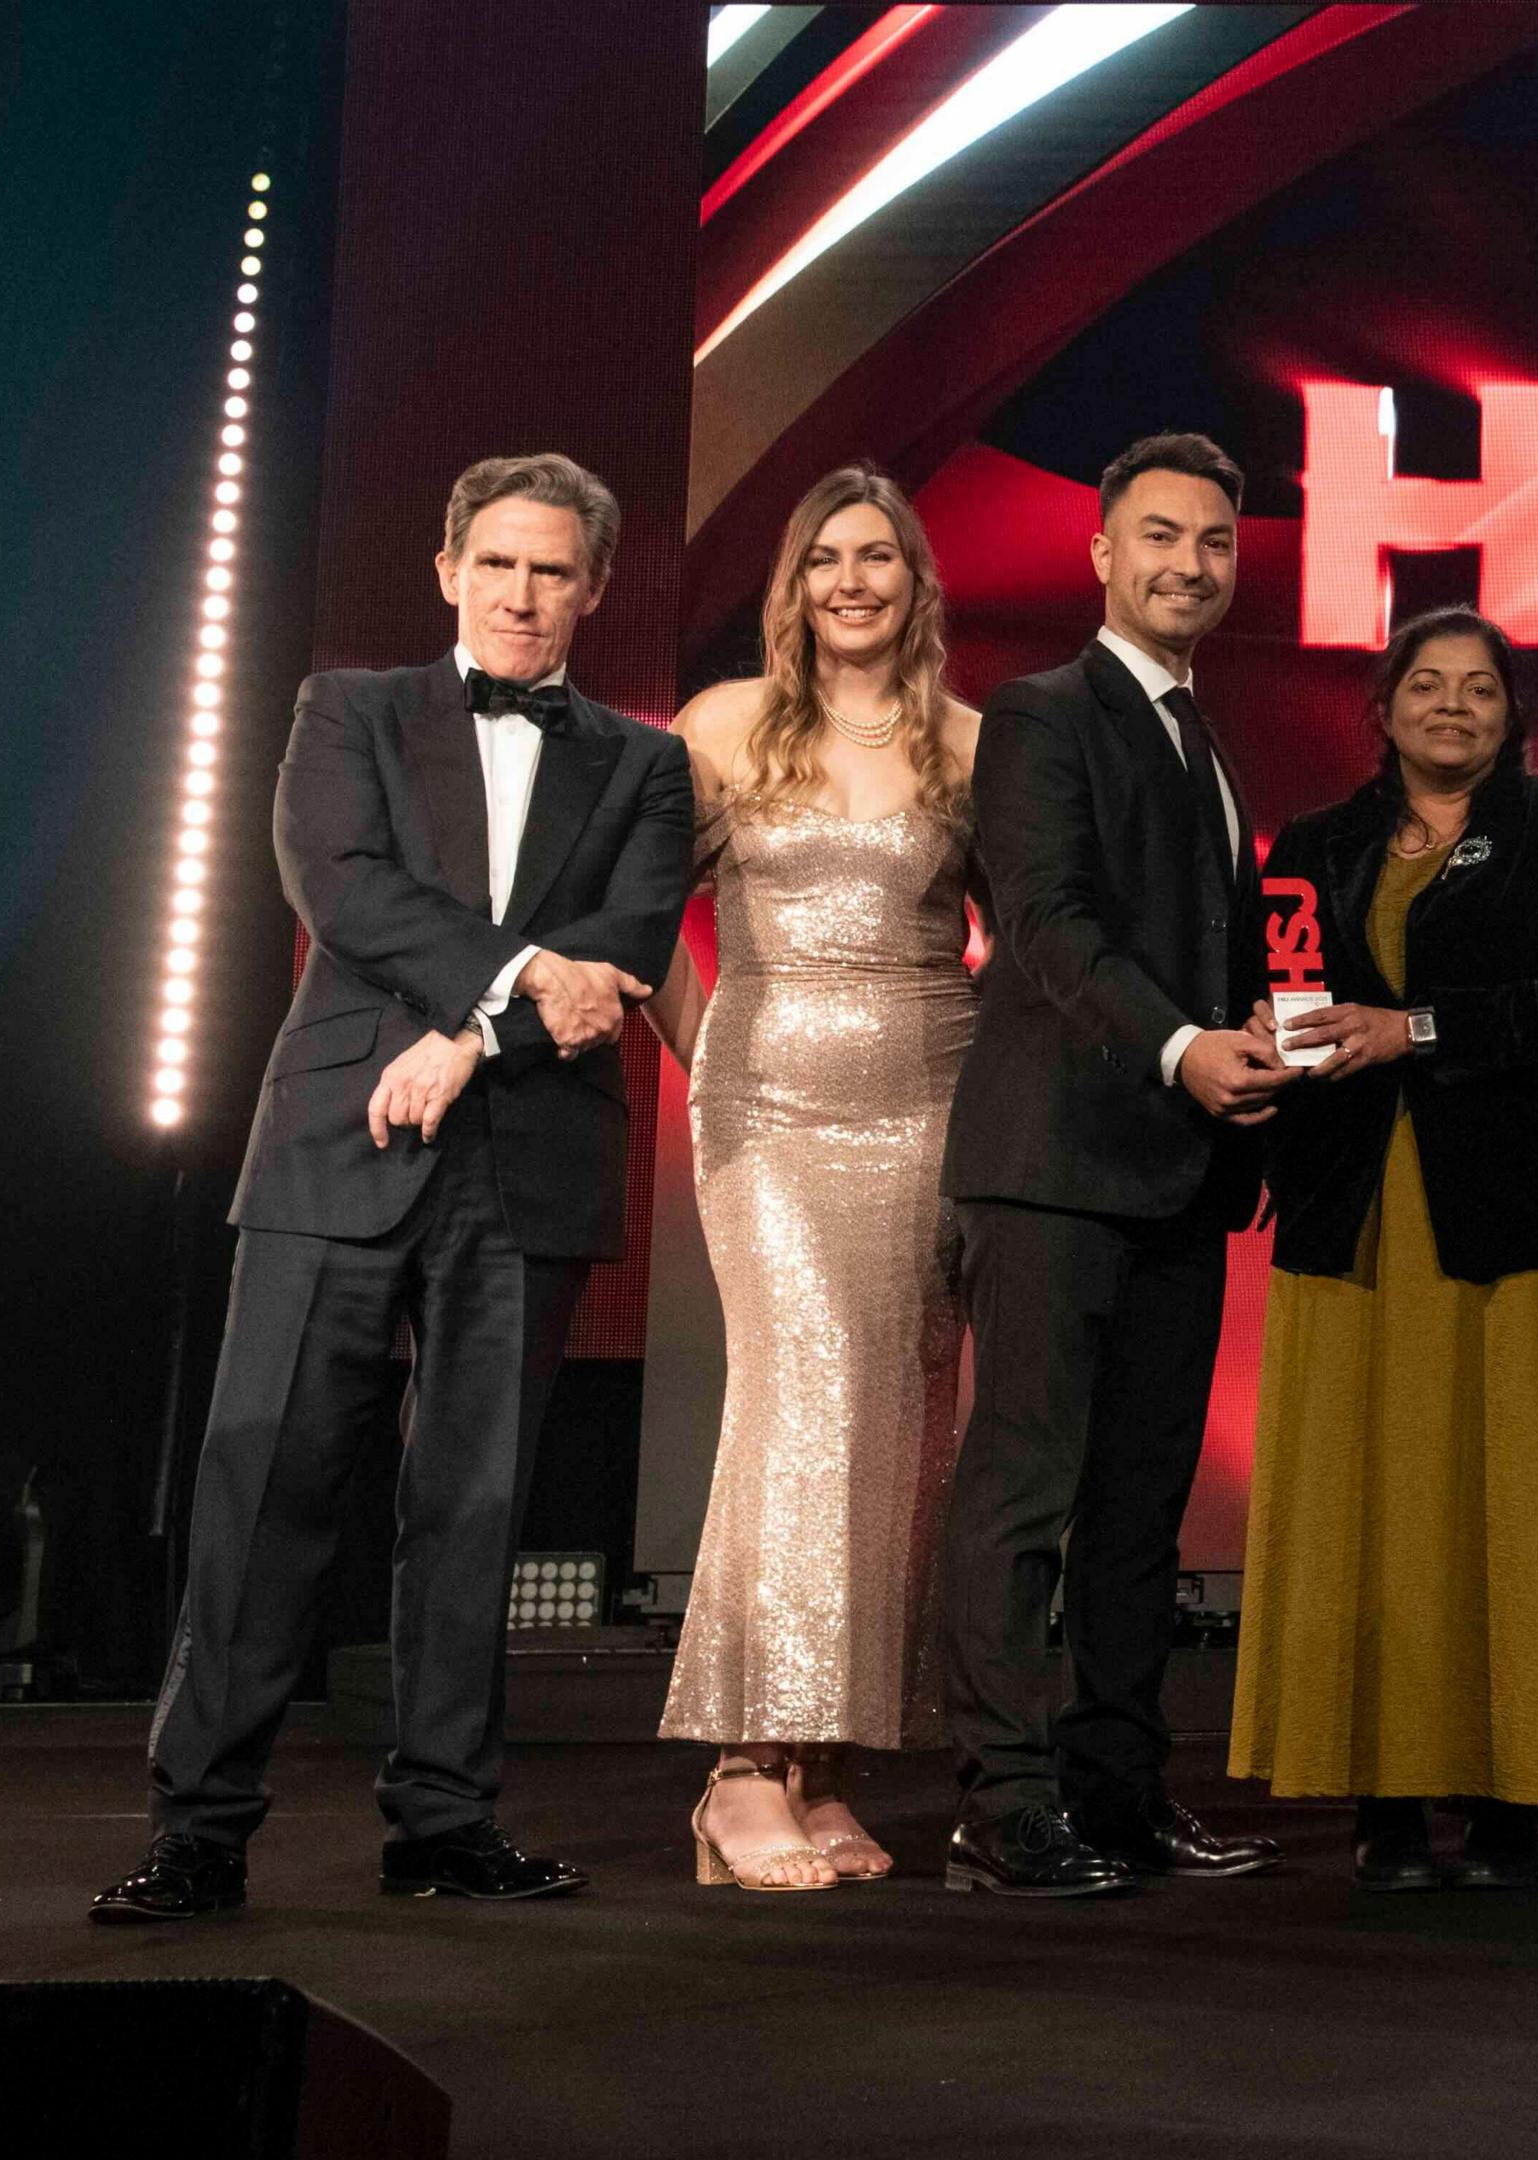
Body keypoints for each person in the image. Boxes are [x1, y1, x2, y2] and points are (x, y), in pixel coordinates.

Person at [99, 455, 692, 1922]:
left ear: (596, 589)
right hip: (335, 1143)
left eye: (554, 571)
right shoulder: (348, 710)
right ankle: (201, 1829)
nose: (521, 594)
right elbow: (338, 883)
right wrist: (500, 987)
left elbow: (620, 945)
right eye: (497, 563)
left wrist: (468, 1040)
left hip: (528, 1157)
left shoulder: (646, 761)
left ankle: (444, 1822)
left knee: (475, 1505)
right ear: (448, 570)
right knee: (267, 1485)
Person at [1231, 607, 1538, 1892]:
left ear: (1514, 717)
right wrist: (1279, 1030)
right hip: (1359, 1218)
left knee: (1514, 1508)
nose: (1454, 707)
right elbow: (1302, 1006)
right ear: (1386, 706)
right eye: (1428, 684)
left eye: (1481, 690)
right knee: (1378, 1506)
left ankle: (1514, 1798)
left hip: (1527, 1218)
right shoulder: (1311, 849)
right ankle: (1388, 1803)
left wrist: (1411, 1027)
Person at [933, 432, 1296, 1898]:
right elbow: (1049, 924)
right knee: (1024, 1486)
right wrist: (1182, 1048)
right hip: (1052, 1163)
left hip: (1179, 1172)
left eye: (1213, 542)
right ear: (1099, 551)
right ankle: (1001, 1800)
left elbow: (1206, 940)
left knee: (1142, 1500)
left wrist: (1260, 1032)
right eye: (1160, 535)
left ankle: (1119, 1786)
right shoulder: (1039, 714)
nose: (1188, 565)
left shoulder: (1208, 740)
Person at [648, 467, 978, 1890]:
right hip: (769, 1103)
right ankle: (738, 1767)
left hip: (936, 1103)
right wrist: (700, 1045)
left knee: (905, 1427)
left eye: (879, 558)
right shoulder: (722, 726)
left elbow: (1027, 933)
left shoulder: (971, 741)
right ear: (795, 585)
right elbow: (623, 905)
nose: (853, 579)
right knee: (803, 1400)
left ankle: (828, 1765)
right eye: (826, 558)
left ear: (916, 581)